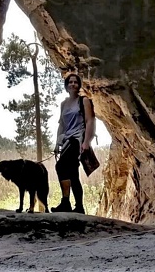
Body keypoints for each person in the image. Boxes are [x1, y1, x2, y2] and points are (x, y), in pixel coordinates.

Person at [52, 73, 96, 214]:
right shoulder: (63, 104)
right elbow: (61, 124)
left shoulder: (84, 101)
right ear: (66, 85)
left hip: (76, 140)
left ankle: (68, 203)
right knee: (72, 173)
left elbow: (90, 121)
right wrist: (57, 142)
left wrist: (86, 142)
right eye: (70, 82)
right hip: (66, 141)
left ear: (79, 85)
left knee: (62, 167)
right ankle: (77, 206)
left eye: (75, 82)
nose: (72, 84)